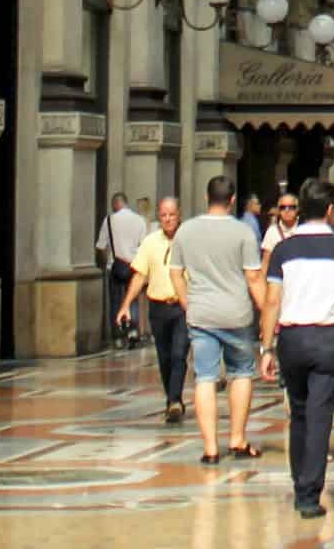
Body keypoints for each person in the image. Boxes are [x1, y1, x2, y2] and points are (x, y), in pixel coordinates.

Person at [262, 178, 334, 519]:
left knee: (298, 414)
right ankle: (309, 494)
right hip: (328, 338)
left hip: (292, 339)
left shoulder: (283, 250)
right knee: (320, 416)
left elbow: (272, 301)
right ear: (331, 211)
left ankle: (300, 483)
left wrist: (266, 348)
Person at [176, 174, 268, 463]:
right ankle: (238, 439)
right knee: (240, 373)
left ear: (206, 198)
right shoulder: (243, 232)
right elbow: (253, 277)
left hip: (201, 313)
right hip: (236, 313)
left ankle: (210, 448)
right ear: (231, 201)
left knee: (205, 377)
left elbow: (175, 272)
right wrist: (267, 311)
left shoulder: (186, 231)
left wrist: (187, 303)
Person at [119, 196, 189, 418]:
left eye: (172, 214)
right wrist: (125, 305)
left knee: (179, 353)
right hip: (158, 307)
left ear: (179, 215)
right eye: (164, 215)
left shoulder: (188, 240)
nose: (168, 219)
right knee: (165, 356)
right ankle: (171, 396)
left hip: (182, 306)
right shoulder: (150, 242)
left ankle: (175, 400)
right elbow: (140, 276)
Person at [99, 192, 148, 346]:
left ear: (115, 204)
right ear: (126, 203)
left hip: (115, 266)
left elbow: (101, 246)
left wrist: (107, 261)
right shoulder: (139, 220)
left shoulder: (108, 220)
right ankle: (132, 330)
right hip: (134, 265)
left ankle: (118, 336)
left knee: (115, 301)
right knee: (132, 297)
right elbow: (144, 246)